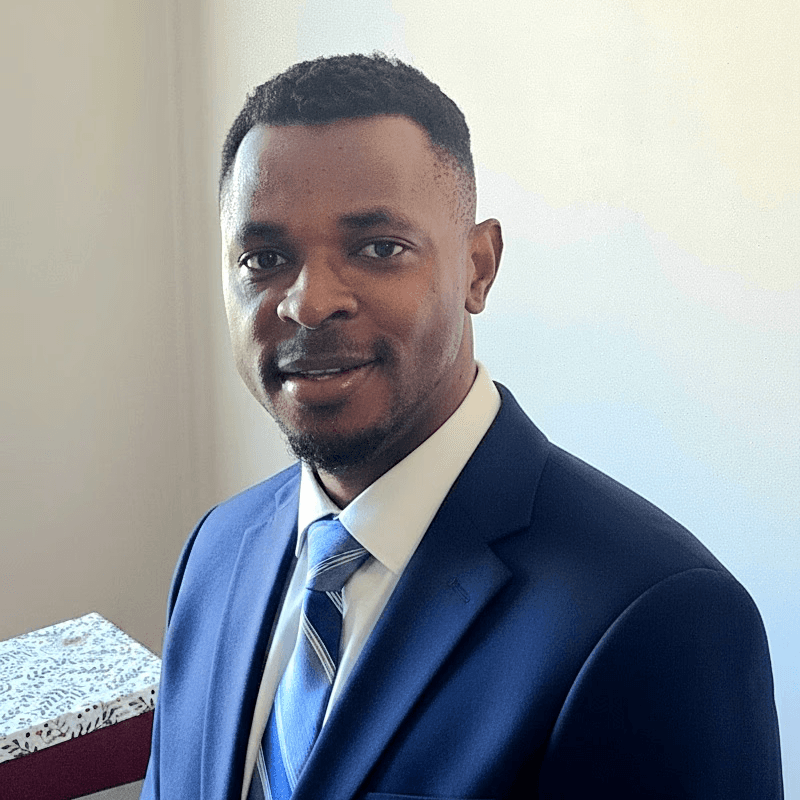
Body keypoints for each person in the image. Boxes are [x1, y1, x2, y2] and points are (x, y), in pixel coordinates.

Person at [141, 54, 783, 799]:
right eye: (265, 258)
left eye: (378, 248)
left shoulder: (662, 616)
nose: (309, 303)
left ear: (478, 267)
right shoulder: (216, 551)